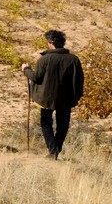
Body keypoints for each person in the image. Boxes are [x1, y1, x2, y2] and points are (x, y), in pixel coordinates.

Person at [21, 29, 84, 159]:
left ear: (51, 42)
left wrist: (26, 70)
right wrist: (77, 96)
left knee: (46, 123)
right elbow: (79, 80)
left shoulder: (44, 59)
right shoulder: (74, 60)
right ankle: (56, 150)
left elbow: (36, 77)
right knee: (63, 125)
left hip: (46, 99)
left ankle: (53, 150)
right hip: (66, 99)